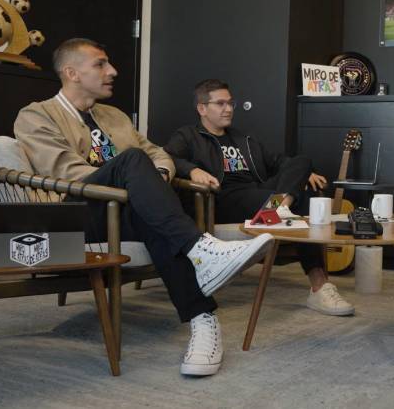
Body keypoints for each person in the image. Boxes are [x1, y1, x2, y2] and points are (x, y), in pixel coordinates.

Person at [14, 38, 275, 377]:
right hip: (77, 214)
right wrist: (133, 181)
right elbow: (67, 172)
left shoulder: (115, 116)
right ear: (72, 72)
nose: (113, 71)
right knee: (132, 163)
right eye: (101, 64)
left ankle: (203, 322)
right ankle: (202, 249)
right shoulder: (36, 115)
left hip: (123, 211)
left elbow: (159, 154)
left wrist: (159, 175)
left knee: (153, 216)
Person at [164, 79, 355, 316]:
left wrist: (305, 172)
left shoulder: (243, 140)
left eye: (231, 103)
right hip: (221, 199)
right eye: (220, 103)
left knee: (302, 161)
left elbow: (279, 162)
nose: (229, 108)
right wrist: (191, 169)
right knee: (302, 201)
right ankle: (318, 284)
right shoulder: (188, 136)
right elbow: (166, 158)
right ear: (202, 108)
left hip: (259, 194)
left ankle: (282, 208)